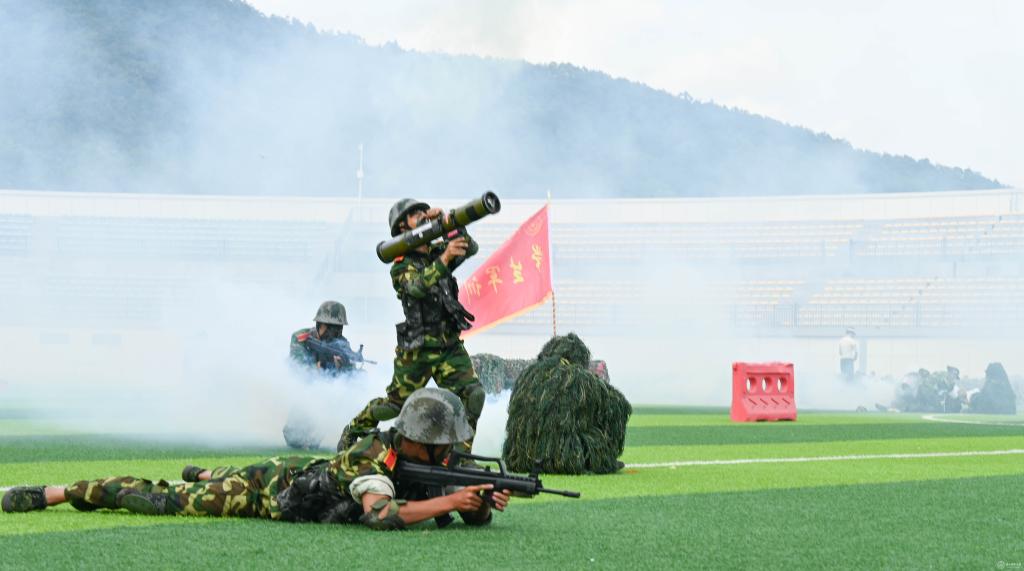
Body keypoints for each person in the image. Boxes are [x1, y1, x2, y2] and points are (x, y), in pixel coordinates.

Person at [2, 388, 511, 530]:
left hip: (302, 471)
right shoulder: (370, 459)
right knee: (164, 498)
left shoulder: (424, 461)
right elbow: (381, 514)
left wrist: (479, 502)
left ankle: (206, 472)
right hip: (267, 491)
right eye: (445, 444)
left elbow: (466, 512)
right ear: (420, 440)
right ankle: (58, 492)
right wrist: (452, 502)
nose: (452, 452)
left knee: (216, 476)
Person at [337, 198, 485, 452]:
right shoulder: (401, 265)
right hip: (418, 349)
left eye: (423, 211)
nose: (423, 215)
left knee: (474, 396)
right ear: (403, 226)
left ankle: (460, 455)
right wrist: (445, 258)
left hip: (449, 346)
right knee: (394, 406)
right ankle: (354, 430)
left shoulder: (437, 252)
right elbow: (416, 287)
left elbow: (470, 247)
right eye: (416, 214)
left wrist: (450, 225)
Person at [290, 300, 364, 373]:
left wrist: (342, 369)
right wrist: (318, 367)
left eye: (337, 328)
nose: (333, 332)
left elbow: (354, 374)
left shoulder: (343, 345)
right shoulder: (302, 338)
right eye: (330, 327)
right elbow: (297, 367)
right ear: (319, 324)